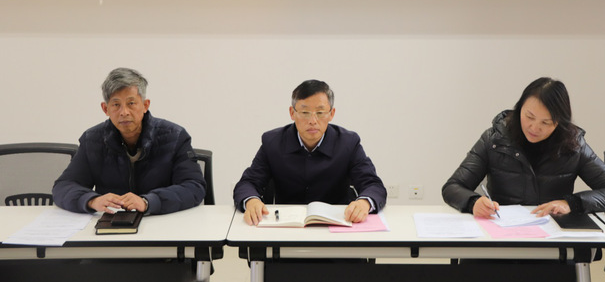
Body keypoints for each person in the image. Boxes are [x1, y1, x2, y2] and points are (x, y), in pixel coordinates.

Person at [442, 77, 605, 218]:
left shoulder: (573, 145)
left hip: (552, 237)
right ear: (519, 108)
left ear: (559, 123)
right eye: (529, 117)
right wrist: (473, 202)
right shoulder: (494, 138)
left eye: (546, 122)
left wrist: (571, 203)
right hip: (501, 233)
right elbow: (452, 187)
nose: (534, 128)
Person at [53, 67, 206, 215]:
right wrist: (91, 200)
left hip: (161, 221)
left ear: (145, 105)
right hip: (111, 224)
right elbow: (63, 186)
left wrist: (148, 202)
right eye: (116, 105)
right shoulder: (92, 140)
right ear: (105, 109)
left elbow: (194, 186)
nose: (124, 112)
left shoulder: (175, 136)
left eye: (131, 103)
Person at [234, 79, 387, 226]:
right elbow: (248, 183)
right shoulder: (273, 142)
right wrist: (251, 200)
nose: (313, 120)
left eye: (320, 112)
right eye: (305, 112)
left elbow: (373, 184)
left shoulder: (348, 143)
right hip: (288, 226)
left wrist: (364, 202)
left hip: (336, 225)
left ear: (331, 114)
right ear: (292, 113)